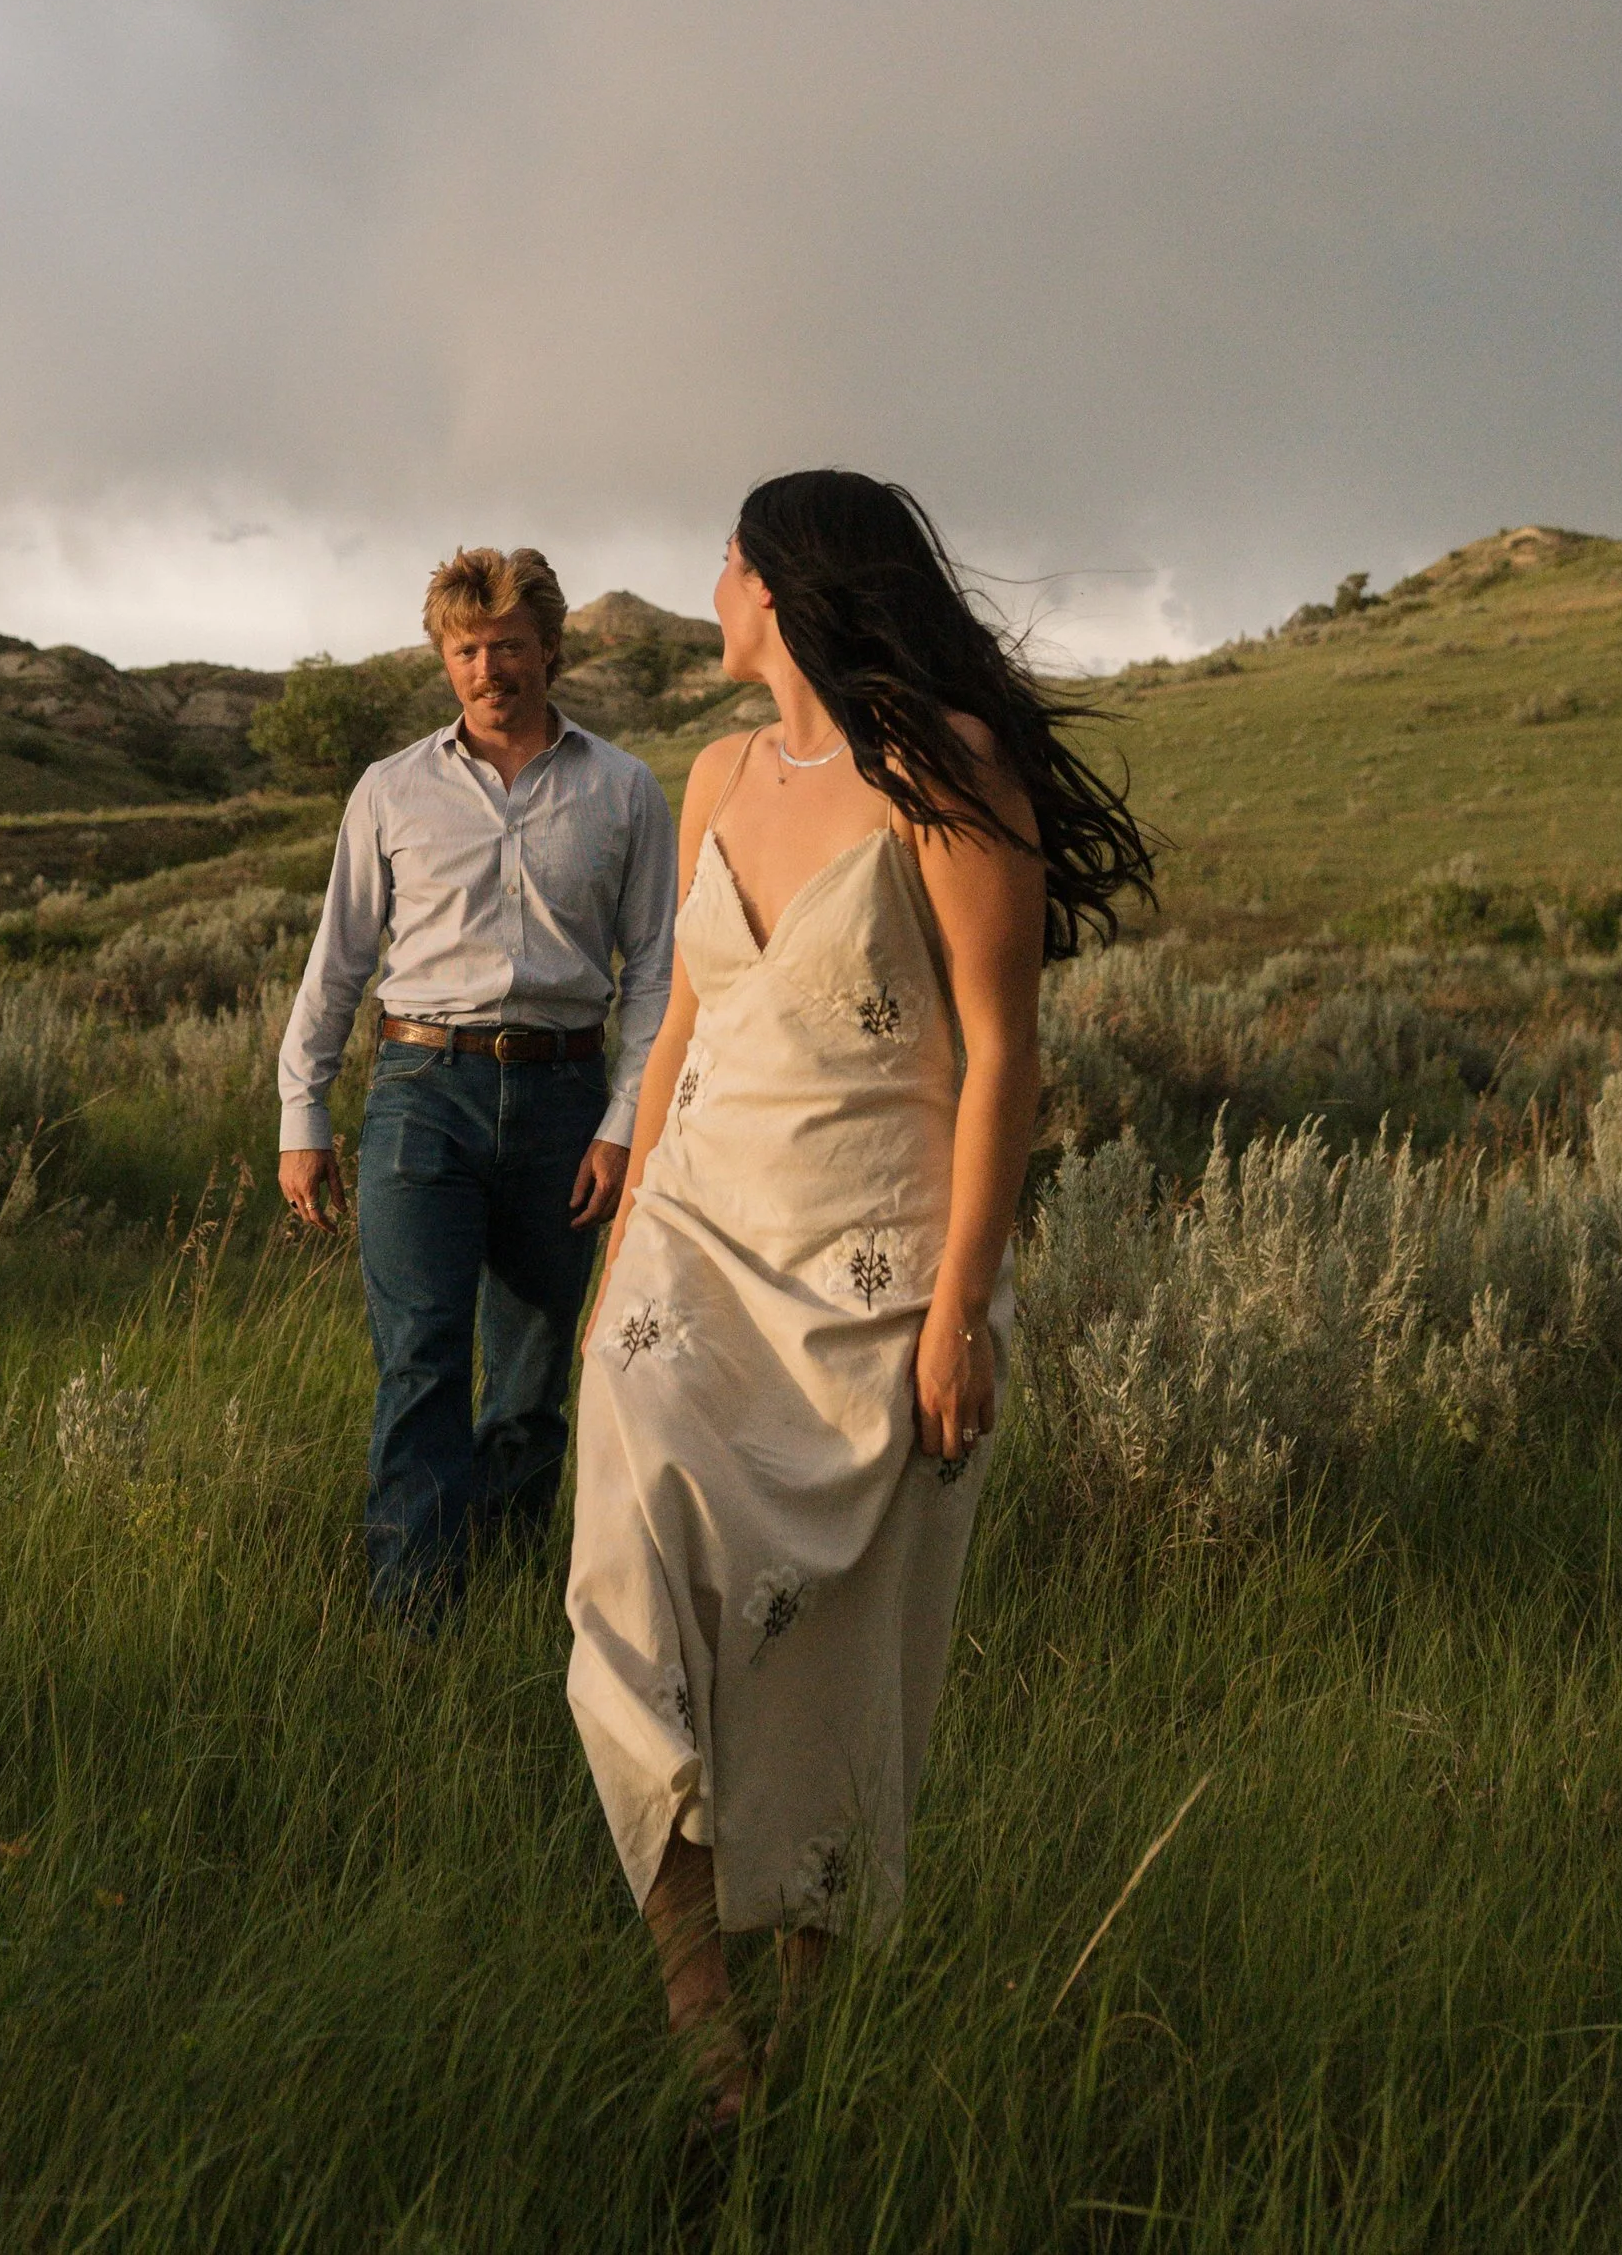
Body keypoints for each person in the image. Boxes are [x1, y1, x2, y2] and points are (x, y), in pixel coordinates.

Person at [564, 470, 1154, 2123]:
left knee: (837, 1669)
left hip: (872, 1283)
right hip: (690, 1258)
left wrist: (961, 1307)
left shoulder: (952, 773)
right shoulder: (724, 771)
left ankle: (814, 2072)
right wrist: (620, 1260)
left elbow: (1001, 1054)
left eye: (730, 558)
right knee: (626, 1608)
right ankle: (707, 2035)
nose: (711, 584)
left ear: (790, 584)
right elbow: (683, 1020)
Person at [277, 545, 677, 1621]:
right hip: (422, 1091)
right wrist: (301, 1113)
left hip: (566, 1100)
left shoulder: (625, 789)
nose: (488, 668)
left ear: (551, 649)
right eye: (466, 650)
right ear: (443, 661)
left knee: (534, 1383)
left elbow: (656, 975)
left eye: (507, 646)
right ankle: (416, 1619)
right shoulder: (390, 790)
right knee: (419, 1364)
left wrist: (623, 1124)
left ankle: (502, 1592)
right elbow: (339, 959)